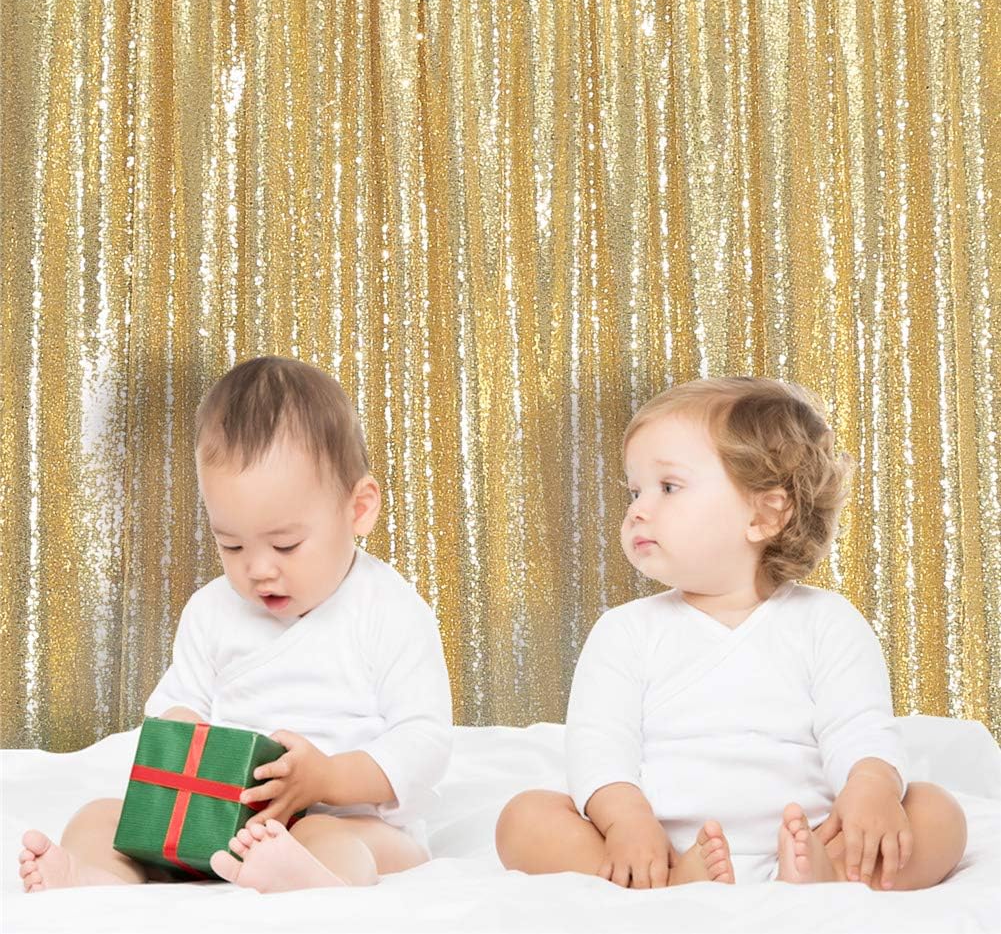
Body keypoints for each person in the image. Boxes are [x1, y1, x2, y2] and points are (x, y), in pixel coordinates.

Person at [496, 376, 967, 889]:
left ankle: (831, 871)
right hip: (661, 843)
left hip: (811, 835)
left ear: (765, 514)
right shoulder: (624, 631)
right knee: (524, 819)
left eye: (668, 487)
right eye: (635, 491)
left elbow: (859, 726)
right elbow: (600, 745)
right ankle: (668, 880)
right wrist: (626, 822)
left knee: (937, 812)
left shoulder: (827, 622)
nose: (637, 509)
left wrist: (872, 787)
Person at [19, 356, 453, 893]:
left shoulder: (389, 610)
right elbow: (177, 709)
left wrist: (328, 778)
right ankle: (92, 878)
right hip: (222, 822)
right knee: (99, 817)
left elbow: (423, 741)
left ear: (358, 509)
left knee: (331, 838)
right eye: (231, 545)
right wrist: (182, 737)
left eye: (286, 544)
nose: (259, 569)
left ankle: (307, 881)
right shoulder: (212, 611)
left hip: (347, 817)